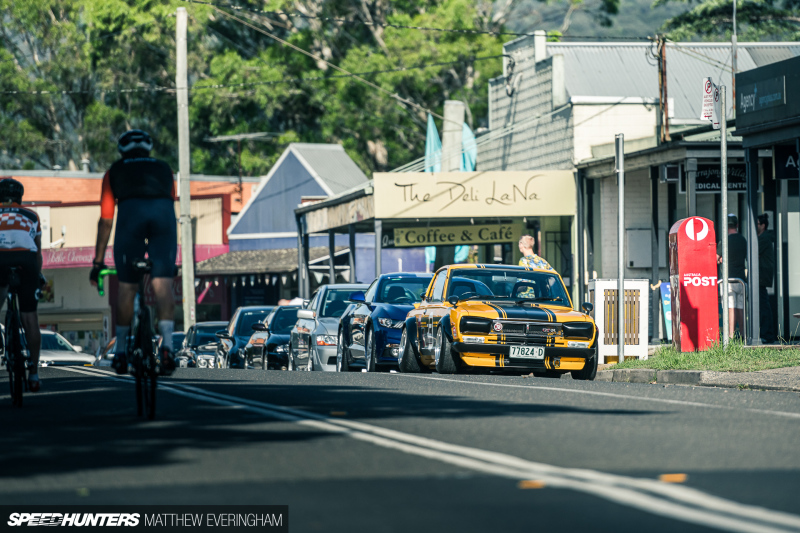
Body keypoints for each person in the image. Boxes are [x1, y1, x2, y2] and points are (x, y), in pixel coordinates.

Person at [90, 130, 178, 376]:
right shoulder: (164, 168)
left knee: (127, 287)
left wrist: (98, 262)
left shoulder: (114, 171)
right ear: (149, 149)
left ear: (122, 151)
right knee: (162, 283)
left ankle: (120, 352)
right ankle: (168, 348)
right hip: (163, 218)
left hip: (131, 218)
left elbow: (106, 220)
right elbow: (171, 201)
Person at [0, 179, 44, 391]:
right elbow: (38, 253)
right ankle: (33, 374)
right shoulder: (32, 215)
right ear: (20, 197)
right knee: (30, 318)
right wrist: (37, 274)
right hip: (26, 261)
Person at [717, 214, 747, 339]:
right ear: (737, 225)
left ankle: (730, 337)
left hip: (728, 280)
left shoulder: (724, 241)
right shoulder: (743, 240)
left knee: (730, 308)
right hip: (741, 280)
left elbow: (715, 258)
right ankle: (744, 336)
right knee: (741, 308)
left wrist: (721, 259)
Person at [757, 213, 777, 344]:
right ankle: (767, 333)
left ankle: (767, 334)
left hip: (761, 276)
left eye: (757, 224)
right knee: (763, 305)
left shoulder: (764, 238)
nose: (755, 226)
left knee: (763, 306)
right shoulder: (763, 238)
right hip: (761, 276)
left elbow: (753, 252)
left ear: (763, 226)